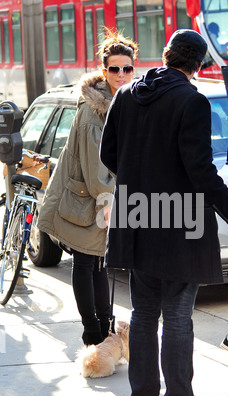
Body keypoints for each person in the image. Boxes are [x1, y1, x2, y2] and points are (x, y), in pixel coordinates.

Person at [100, 29, 228, 396]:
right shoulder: (191, 100)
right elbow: (200, 171)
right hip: (180, 223)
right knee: (177, 315)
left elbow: (108, 153)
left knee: (144, 313)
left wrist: (139, 184)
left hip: (136, 217)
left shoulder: (126, 94)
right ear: (199, 65)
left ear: (166, 55)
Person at [37, 30, 138, 346]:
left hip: (95, 197)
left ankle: (102, 326)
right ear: (104, 70)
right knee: (86, 263)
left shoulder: (121, 103)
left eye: (127, 69)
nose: (121, 75)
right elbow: (98, 175)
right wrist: (111, 203)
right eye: (114, 69)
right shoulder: (95, 113)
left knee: (94, 263)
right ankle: (93, 330)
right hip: (89, 199)